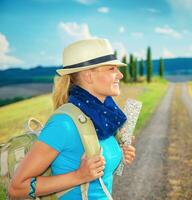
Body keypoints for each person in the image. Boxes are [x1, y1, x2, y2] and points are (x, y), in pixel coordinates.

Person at [8, 38, 136, 199]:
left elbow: (98, 175)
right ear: (89, 75)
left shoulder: (104, 118)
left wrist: (119, 155)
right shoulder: (63, 124)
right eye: (111, 68)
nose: (120, 74)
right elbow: (17, 188)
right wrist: (79, 176)